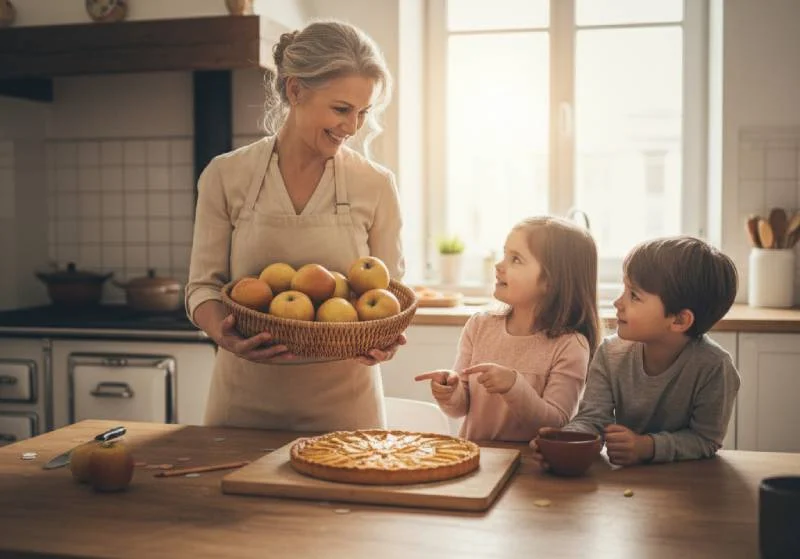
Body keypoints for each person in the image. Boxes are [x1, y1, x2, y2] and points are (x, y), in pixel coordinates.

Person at [185, 20, 406, 431]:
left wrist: (386, 340)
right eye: (341, 109)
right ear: (295, 90)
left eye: (363, 113)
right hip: (243, 403)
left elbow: (387, 292)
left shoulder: (376, 184)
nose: (352, 127)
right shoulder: (225, 175)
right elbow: (202, 286)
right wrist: (223, 334)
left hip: (347, 410)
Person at [531, 236, 740, 468]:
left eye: (634, 296)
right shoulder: (610, 354)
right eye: (624, 289)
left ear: (679, 320)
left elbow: (706, 439)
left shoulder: (714, 368)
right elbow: (593, 419)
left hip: (689, 480)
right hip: (627, 481)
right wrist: (566, 442)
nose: (617, 303)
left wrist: (648, 447)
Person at [414, 216, 601, 442]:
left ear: (550, 282)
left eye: (516, 259)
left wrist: (513, 386)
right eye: (505, 254)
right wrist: (449, 391)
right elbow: (460, 408)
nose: (499, 265)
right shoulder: (479, 326)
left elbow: (556, 423)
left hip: (530, 463)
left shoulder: (570, 345)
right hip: (478, 458)